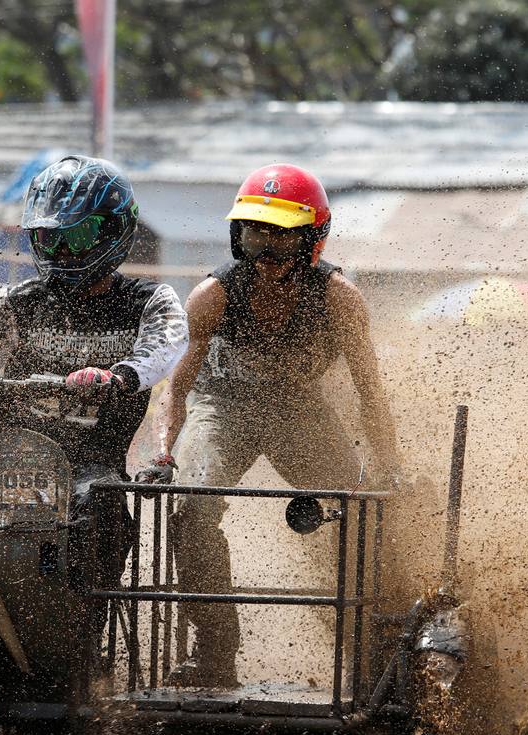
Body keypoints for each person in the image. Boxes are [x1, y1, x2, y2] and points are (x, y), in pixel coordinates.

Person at [0, 155, 188, 596]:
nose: (61, 251)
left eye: (76, 235)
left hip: (90, 466)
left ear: (114, 230)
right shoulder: (19, 303)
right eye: (48, 236)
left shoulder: (148, 300)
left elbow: (166, 346)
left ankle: (73, 634)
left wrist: (118, 376)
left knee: (90, 515)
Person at [151, 163, 400, 688]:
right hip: (223, 407)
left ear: (311, 243)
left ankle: (375, 647)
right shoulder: (212, 296)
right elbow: (177, 390)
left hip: (299, 410)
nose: (264, 255)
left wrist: (389, 469)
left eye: (279, 241)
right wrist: (164, 455)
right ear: (237, 236)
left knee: (365, 512)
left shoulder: (339, 300)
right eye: (253, 235)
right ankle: (216, 654)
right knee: (191, 508)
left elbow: (370, 394)